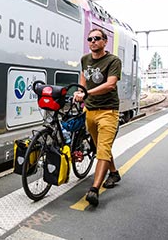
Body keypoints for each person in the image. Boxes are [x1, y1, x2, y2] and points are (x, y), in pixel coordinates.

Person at [73, 28, 122, 207]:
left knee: (103, 149)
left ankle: (94, 189)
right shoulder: (85, 59)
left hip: (108, 111)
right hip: (90, 111)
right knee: (100, 147)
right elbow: (84, 76)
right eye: (90, 39)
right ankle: (114, 173)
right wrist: (80, 90)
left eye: (97, 38)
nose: (93, 41)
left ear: (104, 41)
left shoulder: (113, 60)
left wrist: (86, 93)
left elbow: (110, 84)